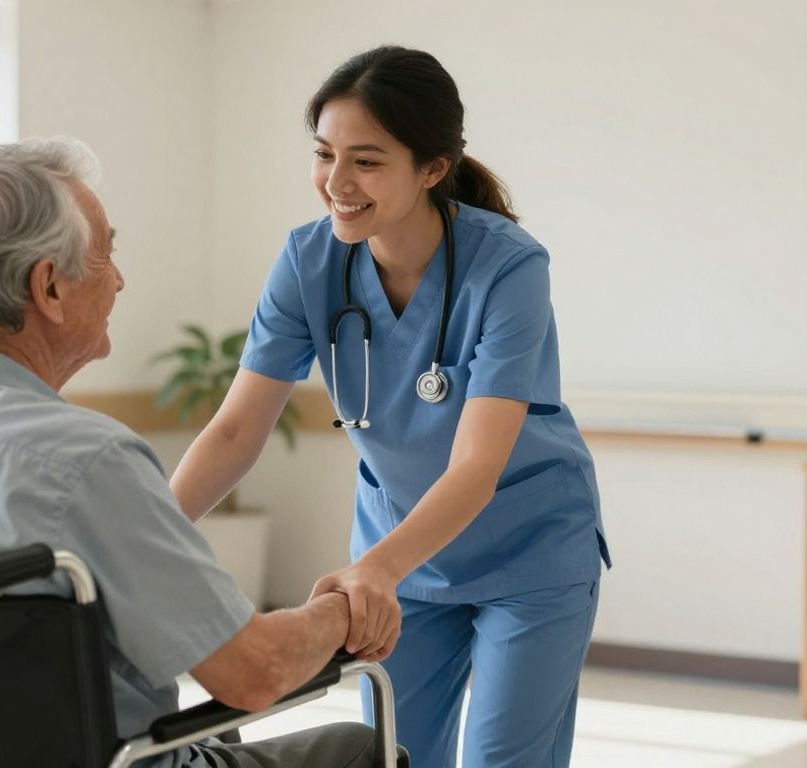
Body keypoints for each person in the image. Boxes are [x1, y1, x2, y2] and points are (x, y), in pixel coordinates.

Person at [0, 138, 385, 768]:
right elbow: (254, 673)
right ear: (48, 287)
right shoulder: (83, 458)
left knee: (215, 730)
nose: (121, 278)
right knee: (359, 745)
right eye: (106, 252)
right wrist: (342, 609)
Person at [170, 46, 612, 768]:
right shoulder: (308, 261)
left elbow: (477, 464)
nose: (336, 183)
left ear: (433, 167)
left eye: (367, 161)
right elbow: (236, 429)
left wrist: (375, 570)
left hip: (527, 550)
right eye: (324, 155)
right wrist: (142, 537)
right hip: (402, 556)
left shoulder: (508, 267)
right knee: (396, 756)